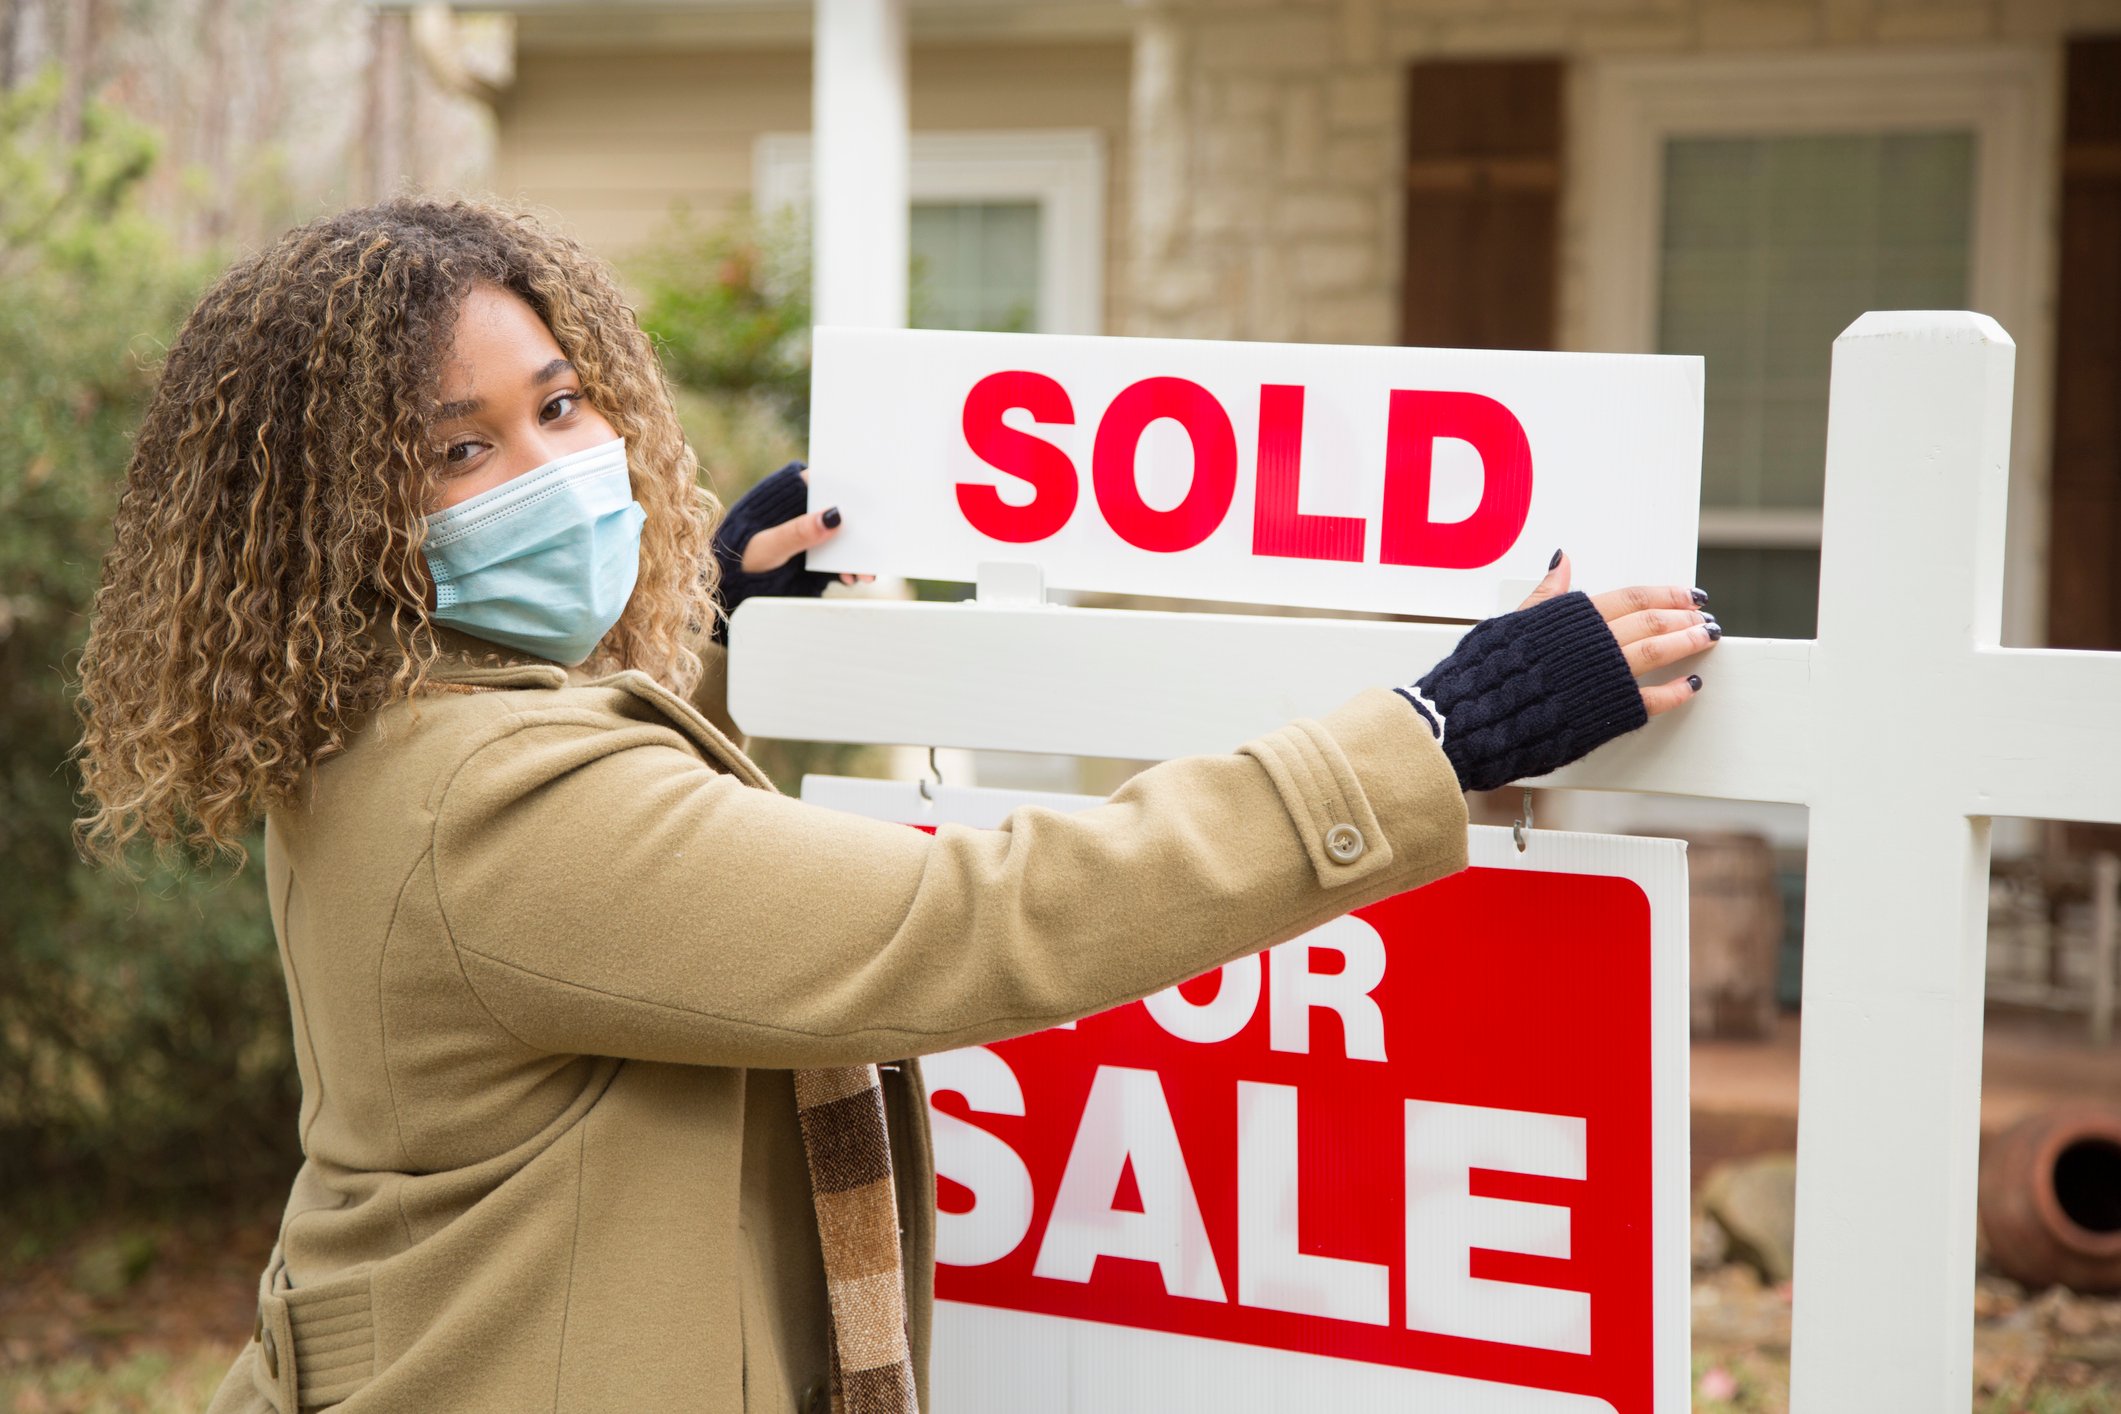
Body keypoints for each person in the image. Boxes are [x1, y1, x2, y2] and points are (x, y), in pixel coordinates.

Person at [71, 196, 1718, 1414]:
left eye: (561, 406)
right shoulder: (486, 801)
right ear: (339, 514)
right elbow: (956, 922)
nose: (558, 467)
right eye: (458, 451)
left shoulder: (382, 732)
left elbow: (623, 880)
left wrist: (710, 631)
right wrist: (1430, 733)